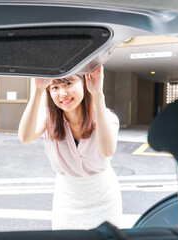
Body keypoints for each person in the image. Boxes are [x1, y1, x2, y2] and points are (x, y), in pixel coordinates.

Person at [18, 65, 122, 230]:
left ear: (83, 83)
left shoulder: (106, 117)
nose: (62, 93)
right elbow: (25, 136)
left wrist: (98, 95)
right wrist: (37, 91)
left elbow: (107, 150)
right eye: (55, 87)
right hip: (67, 197)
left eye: (68, 84)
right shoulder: (48, 119)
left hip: (103, 195)